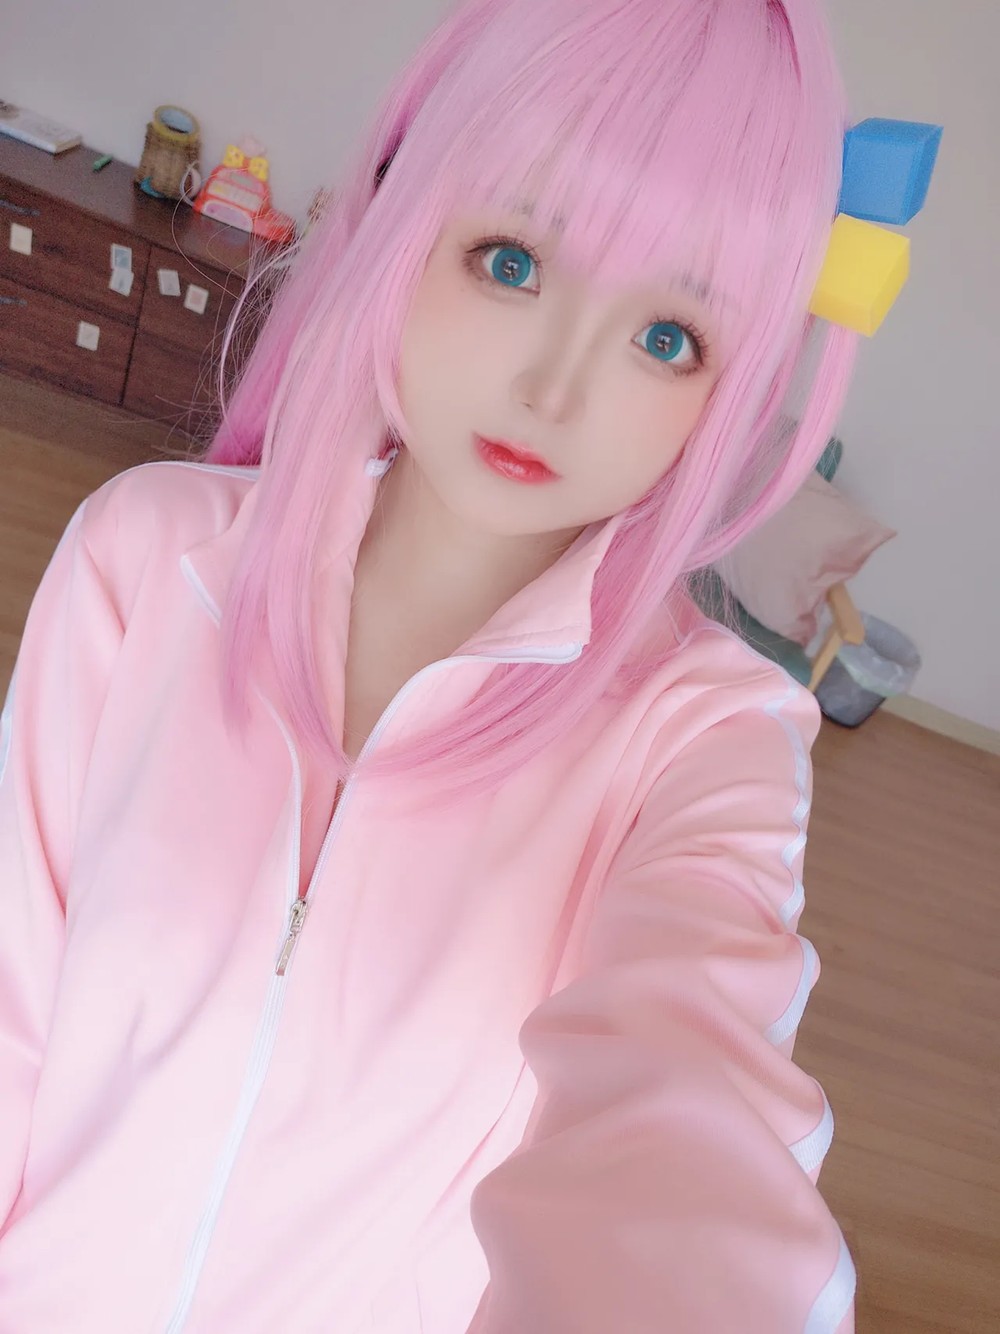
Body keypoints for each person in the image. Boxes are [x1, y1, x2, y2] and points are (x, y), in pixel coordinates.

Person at [1, 0, 890, 1328]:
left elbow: (688, 1120)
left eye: (667, 338)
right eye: (510, 260)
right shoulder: (146, 560)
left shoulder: (707, 741)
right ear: (405, 213)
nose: (554, 386)